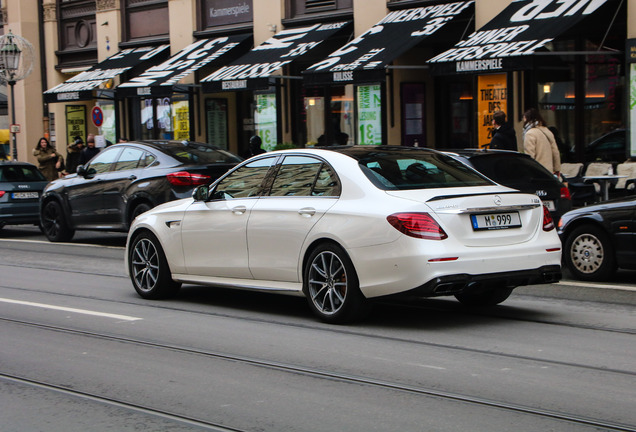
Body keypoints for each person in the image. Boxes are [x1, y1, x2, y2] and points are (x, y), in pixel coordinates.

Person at [522, 108, 561, 176]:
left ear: (527, 119)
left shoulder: (530, 133)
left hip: (537, 172)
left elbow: (530, 156)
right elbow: (555, 152)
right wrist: (557, 169)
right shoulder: (547, 131)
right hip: (549, 171)